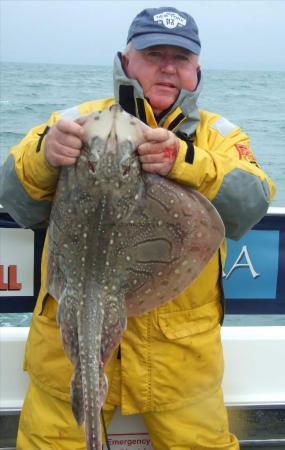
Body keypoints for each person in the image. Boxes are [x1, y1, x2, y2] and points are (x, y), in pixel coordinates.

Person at [0, 6, 275, 450]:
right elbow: (16, 197)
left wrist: (184, 161)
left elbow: (252, 201)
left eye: (180, 58)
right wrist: (46, 154)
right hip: (69, 346)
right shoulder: (74, 122)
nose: (168, 66)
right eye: (153, 53)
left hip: (180, 361)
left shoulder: (219, 136)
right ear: (126, 61)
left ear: (197, 68)